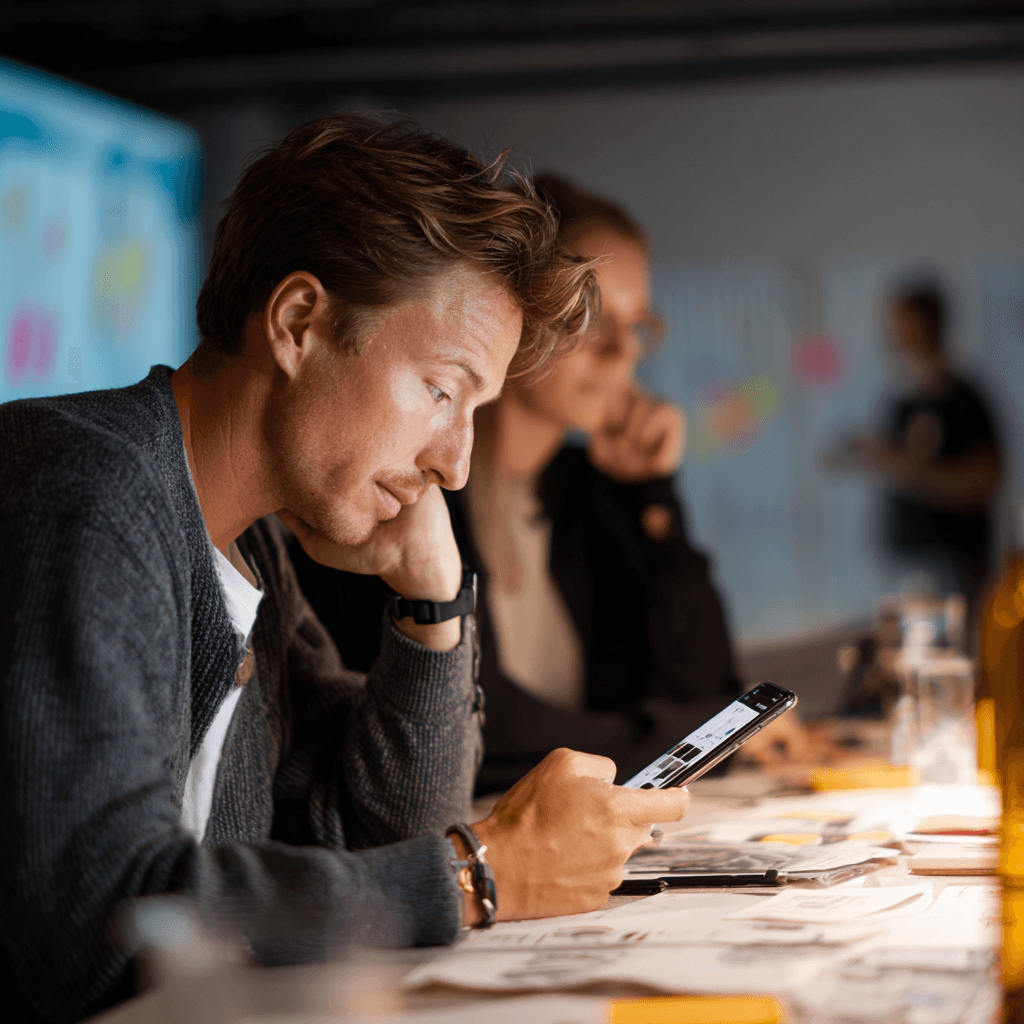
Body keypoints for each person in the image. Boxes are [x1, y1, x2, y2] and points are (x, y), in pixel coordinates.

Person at [0, 118, 689, 1024]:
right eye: (442, 390)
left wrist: (431, 606)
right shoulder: (90, 497)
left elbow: (384, 830)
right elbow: (94, 924)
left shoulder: (253, 553)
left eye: (476, 408)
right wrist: (479, 875)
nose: (456, 464)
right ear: (299, 323)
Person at [292, 174, 813, 794]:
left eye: (639, 325)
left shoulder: (590, 492)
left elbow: (703, 688)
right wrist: (686, 736)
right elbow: (482, 730)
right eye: (595, 318)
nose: (624, 351)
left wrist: (653, 494)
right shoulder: (410, 483)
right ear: (523, 315)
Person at [842, 284, 1003, 614]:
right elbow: (904, 460)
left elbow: (985, 480)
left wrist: (910, 471)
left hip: (954, 564)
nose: (893, 334)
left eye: (903, 323)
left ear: (930, 325)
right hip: (906, 567)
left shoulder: (963, 401)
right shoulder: (901, 401)